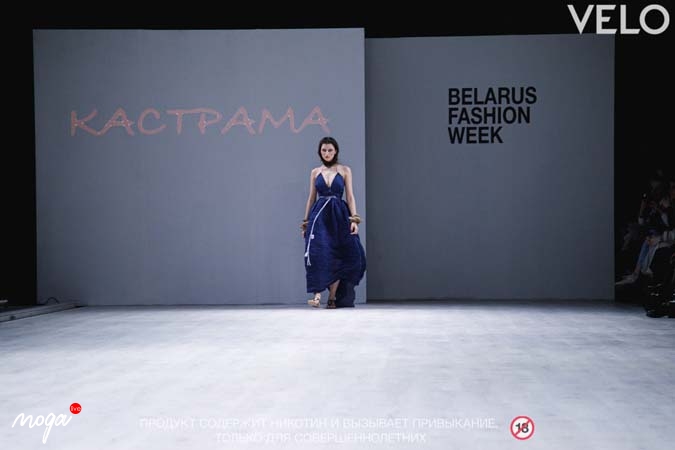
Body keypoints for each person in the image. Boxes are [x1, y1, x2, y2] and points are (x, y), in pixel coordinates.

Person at [300, 136, 366, 309]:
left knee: (338, 254)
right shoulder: (315, 172)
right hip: (320, 216)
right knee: (317, 252)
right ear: (320, 152)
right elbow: (311, 198)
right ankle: (317, 295)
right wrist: (306, 222)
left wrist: (354, 219)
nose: (327, 153)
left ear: (335, 151)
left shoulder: (345, 170)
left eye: (330, 150)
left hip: (339, 215)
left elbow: (350, 196)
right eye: (324, 150)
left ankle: (332, 297)